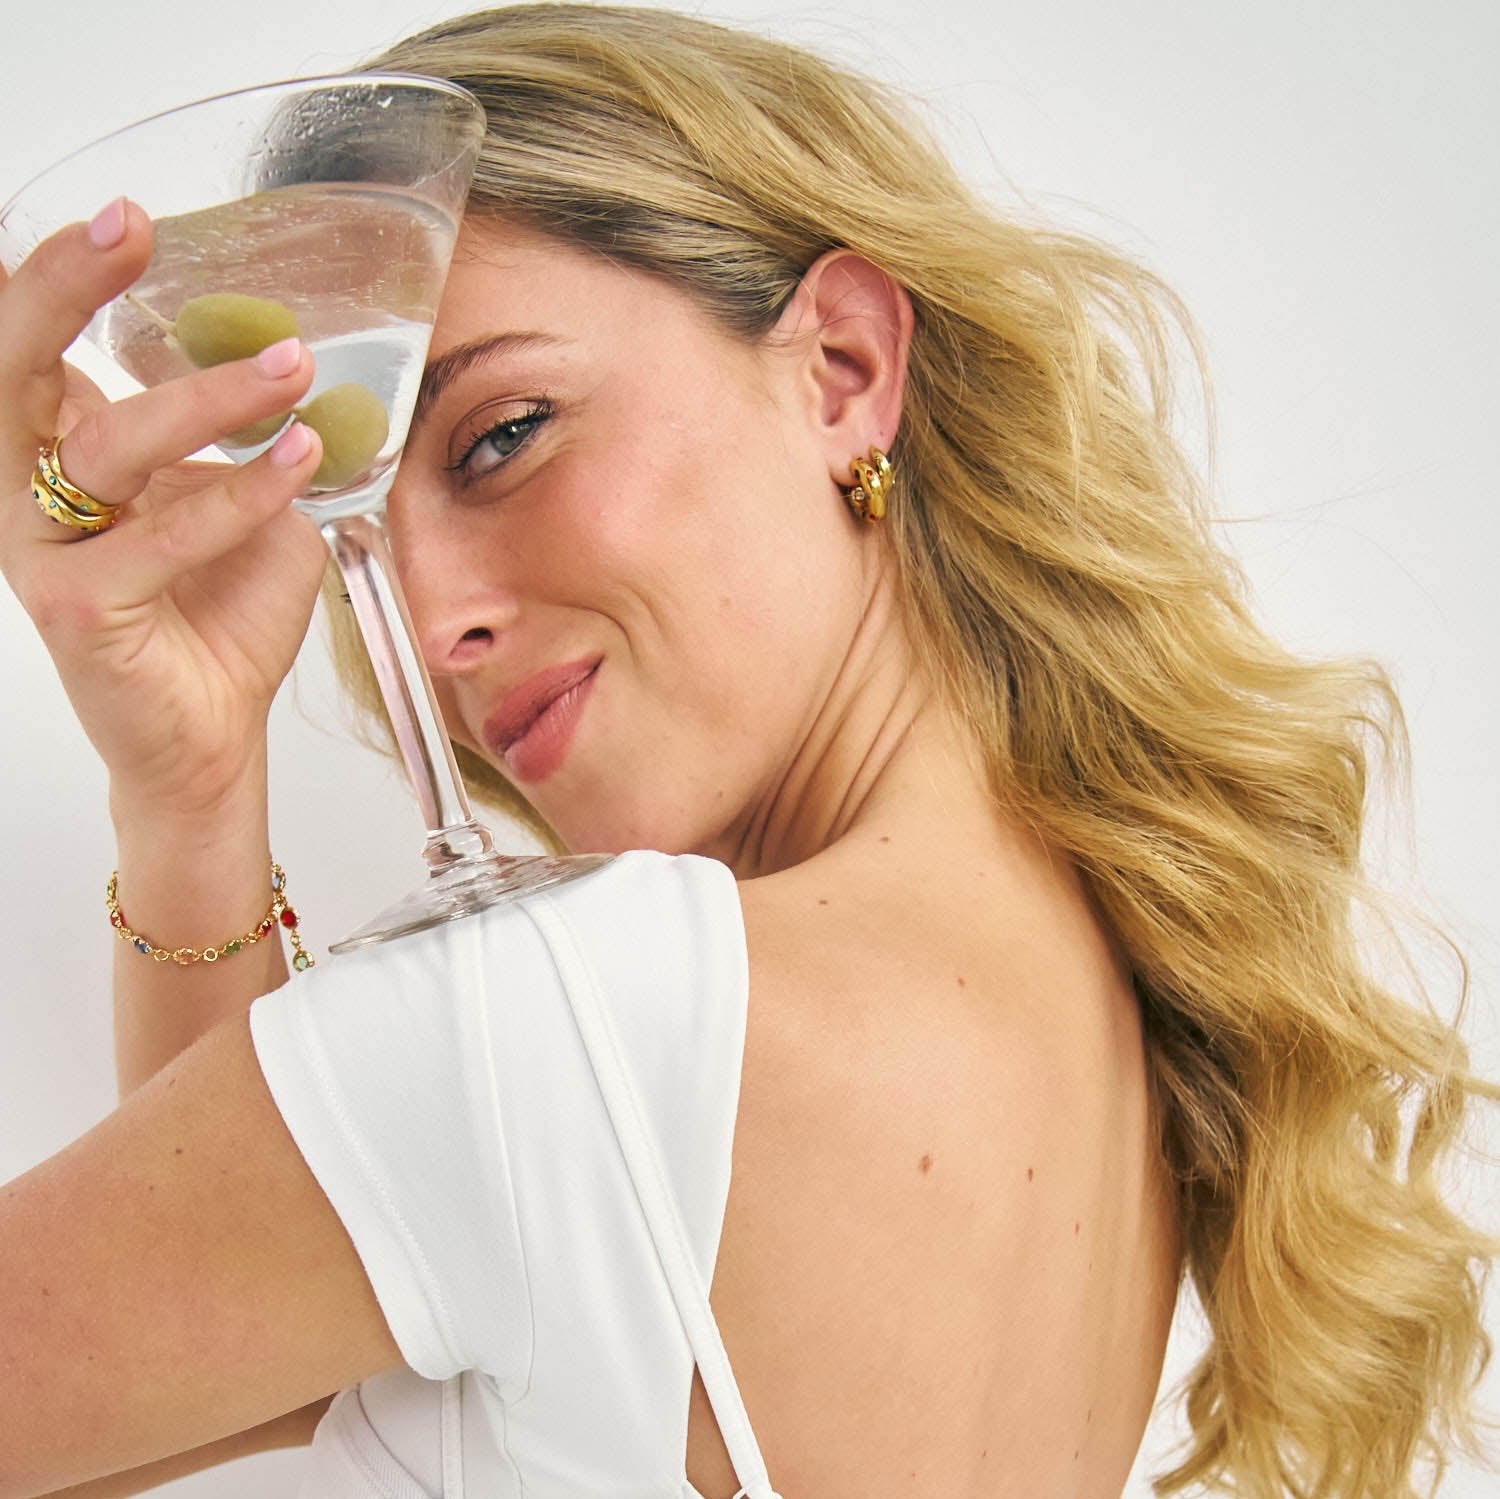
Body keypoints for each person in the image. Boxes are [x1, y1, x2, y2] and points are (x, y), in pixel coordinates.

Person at [0, 4, 1492, 1496]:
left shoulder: (564, 1027)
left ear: (840, 364)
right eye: (365, 539)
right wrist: (187, 797)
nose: (434, 615)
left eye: (504, 435)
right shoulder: (1116, 1025)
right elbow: (190, 1362)